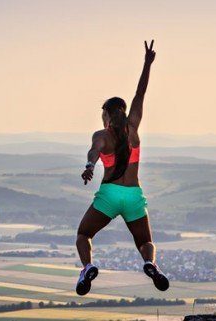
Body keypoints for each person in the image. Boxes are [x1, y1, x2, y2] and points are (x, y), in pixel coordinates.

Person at [75, 40, 169, 296]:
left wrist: (89, 165)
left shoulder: (101, 135)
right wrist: (147, 64)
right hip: (133, 196)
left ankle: (88, 268)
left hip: (109, 195)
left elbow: (94, 151)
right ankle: (150, 264)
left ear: (106, 114)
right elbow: (141, 94)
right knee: (145, 242)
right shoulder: (133, 128)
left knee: (84, 234)